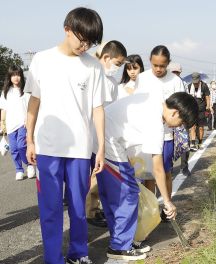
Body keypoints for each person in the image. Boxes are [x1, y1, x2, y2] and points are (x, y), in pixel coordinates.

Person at [25, 7, 105, 264]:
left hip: (81, 149)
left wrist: (100, 147)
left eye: (91, 41)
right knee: (50, 209)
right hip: (47, 147)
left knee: (79, 208)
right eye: (82, 38)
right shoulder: (42, 59)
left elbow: (97, 109)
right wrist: (29, 139)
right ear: (67, 29)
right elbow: (34, 103)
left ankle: (78, 253)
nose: (86, 45)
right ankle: (52, 258)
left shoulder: (93, 65)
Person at [95, 91, 197, 261]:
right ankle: (119, 247)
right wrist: (167, 201)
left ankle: (124, 241)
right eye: (181, 122)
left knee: (116, 195)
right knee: (127, 195)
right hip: (107, 145)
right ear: (175, 113)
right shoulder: (155, 122)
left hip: (104, 141)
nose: (178, 127)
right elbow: (158, 169)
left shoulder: (155, 100)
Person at [135, 46, 185, 222]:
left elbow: (181, 107)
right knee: (148, 174)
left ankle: (166, 205)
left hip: (166, 135)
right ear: (150, 61)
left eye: (162, 66)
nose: (158, 69)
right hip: (145, 134)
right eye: (155, 65)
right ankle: (150, 209)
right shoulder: (141, 79)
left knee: (165, 172)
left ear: (168, 64)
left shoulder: (175, 81)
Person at [85, 40, 127, 228]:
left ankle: (95, 209)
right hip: (91, 132)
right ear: (106, 57)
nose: (117, 68)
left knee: (100, 175)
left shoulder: (111, 81)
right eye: (117, 64)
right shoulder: (92, 73)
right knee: (92, 177)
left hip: (104, 134)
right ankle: (90, 212)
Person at [0, 65, 35, 180]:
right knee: (14, 149)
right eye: (13, 75)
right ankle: (19, 170)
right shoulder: (6, 92)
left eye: (18, 75)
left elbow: (31, 108)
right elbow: (4, 109)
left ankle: (30, 165)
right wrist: (2, 123)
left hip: (23, 124)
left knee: (21, 146)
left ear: (21, 76)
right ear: (9, 77)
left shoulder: (26, 91)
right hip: (10, 125)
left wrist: (28, 120)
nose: (16, 78)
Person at [167, 62, 191, 177]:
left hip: (181, 118)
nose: (175, 74)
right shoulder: (164, 83)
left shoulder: (184, 84)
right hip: (167, 119)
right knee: (168, 145)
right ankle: (169, 168)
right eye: (173, 72)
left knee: (184, 144)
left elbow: (187, 101)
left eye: (177, 72)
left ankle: (184, 167)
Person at [187, 72, 211, 150]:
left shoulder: (204, 86)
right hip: (192, 109)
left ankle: (200, 143)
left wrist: (208, 106)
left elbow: (207, 97)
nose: (196, 84)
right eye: (194, 82)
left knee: (200, 127)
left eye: (197, 82)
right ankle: (193, 143)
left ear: (199, 80)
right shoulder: (189, 86)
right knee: (192, 127)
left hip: (201, 109)